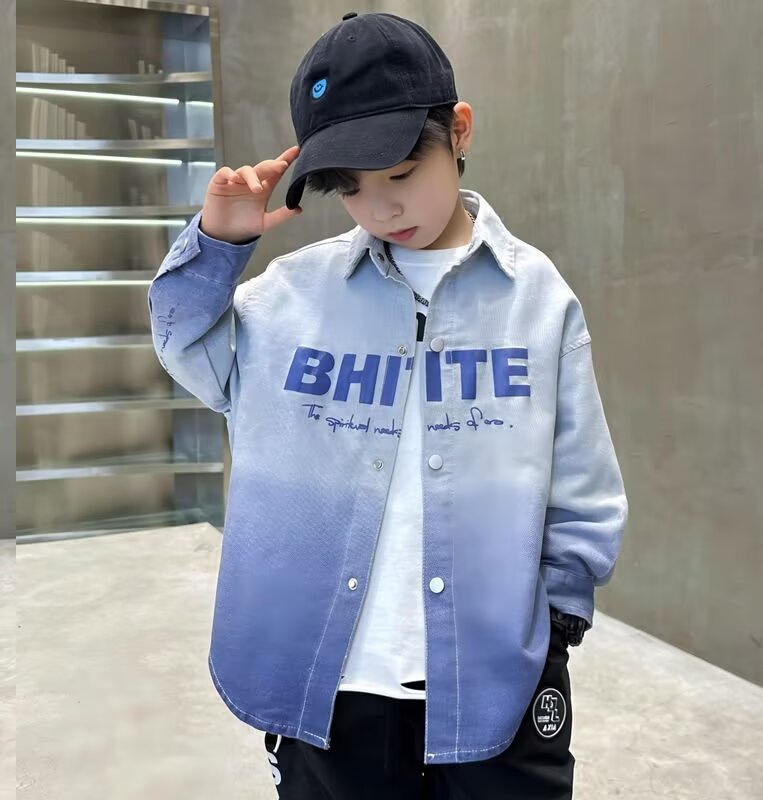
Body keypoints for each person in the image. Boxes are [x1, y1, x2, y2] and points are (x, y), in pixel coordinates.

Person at [148, 11, 628, 799]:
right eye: (349, 187)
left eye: (401, 173)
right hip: (333, 685)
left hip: (494, 677)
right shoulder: (293, 296)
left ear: (459, 131)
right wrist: (217, 247)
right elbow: (187, 350)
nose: (380, 208)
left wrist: (558, 623)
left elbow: (582, 476)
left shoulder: (538, 300)